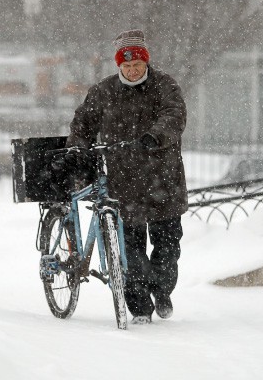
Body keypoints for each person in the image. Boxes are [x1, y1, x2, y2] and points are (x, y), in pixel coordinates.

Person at [65, 29, 188, 325]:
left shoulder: (164, 86)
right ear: (118, 65)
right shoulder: (103, 92)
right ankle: (139, 307)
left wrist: (153, 137)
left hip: (163, 179)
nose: (133, 71)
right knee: (128, 249)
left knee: (168, 245)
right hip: (124, 182)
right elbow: (82, 123)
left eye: (138, 65)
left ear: (146, 62)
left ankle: (162, 291)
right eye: (127, 65)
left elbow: (175, 117)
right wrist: (77, 147)